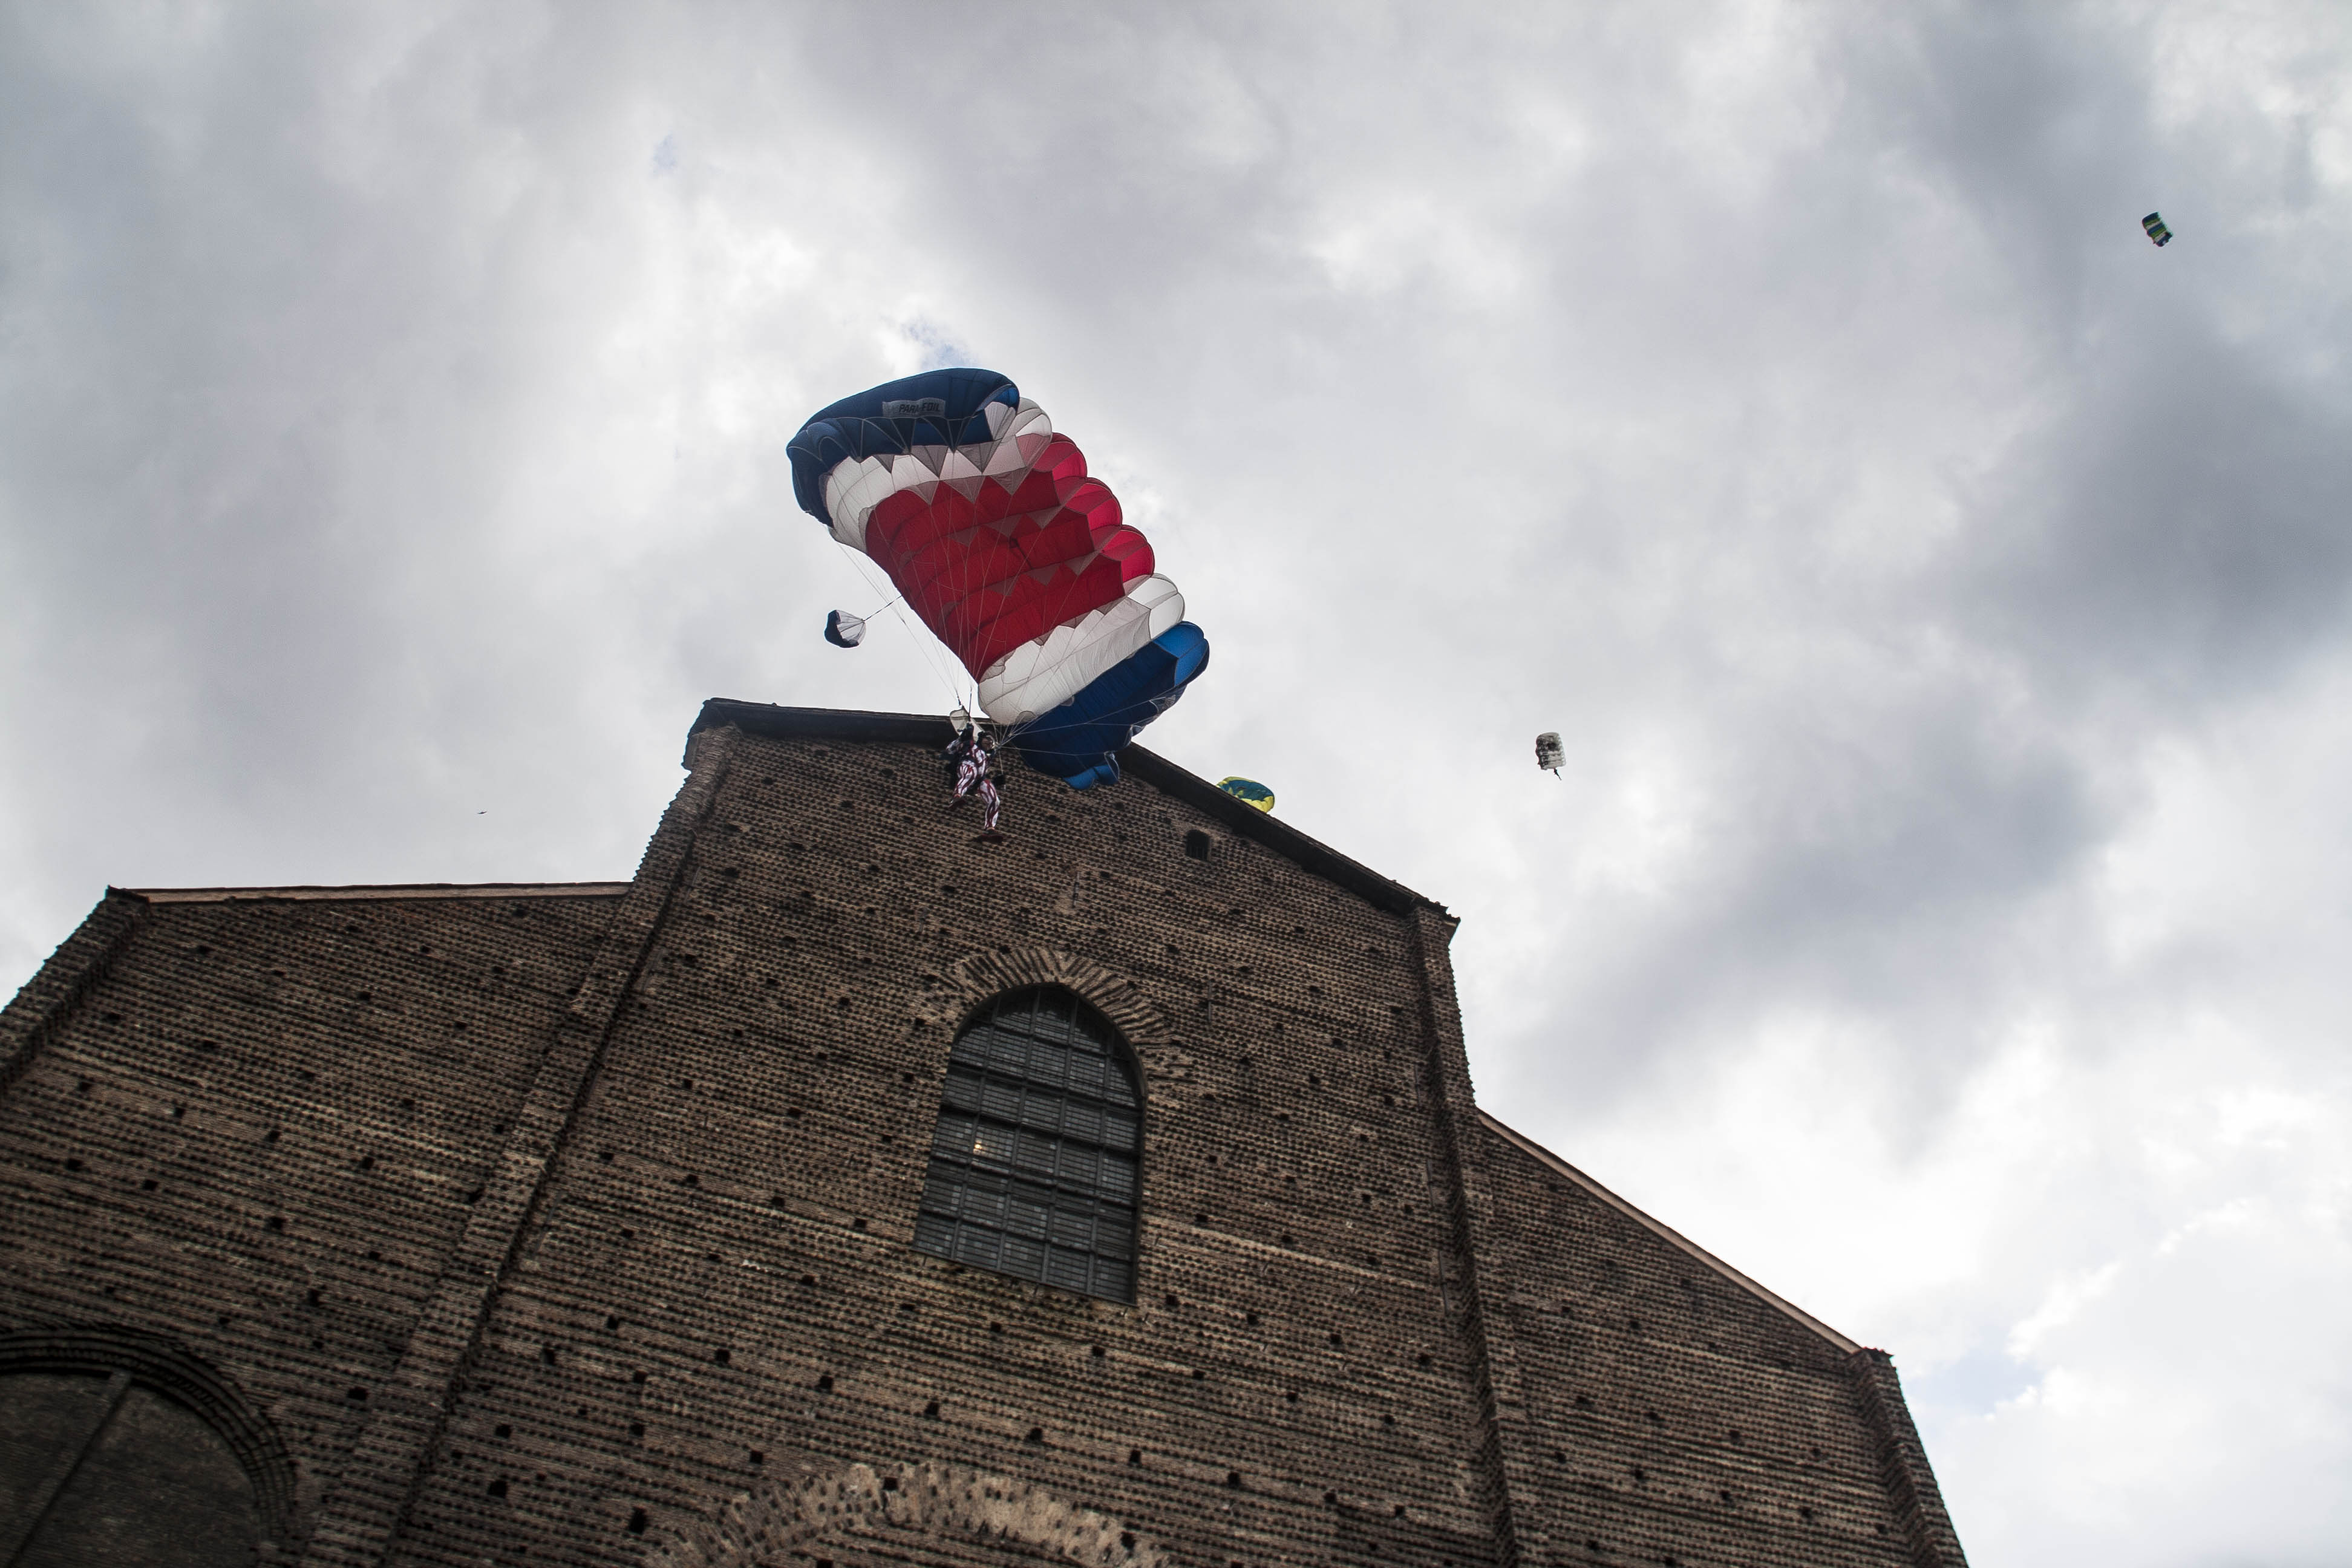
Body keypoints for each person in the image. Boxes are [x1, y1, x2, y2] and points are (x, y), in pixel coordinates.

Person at [944, 720, 1005, 838]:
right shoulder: (970, 745)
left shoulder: (988, 757)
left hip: (979, 779)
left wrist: (997, 782)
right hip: (967, 767)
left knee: (995, 799)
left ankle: (990, 828)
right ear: (981, 739)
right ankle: (957, 796)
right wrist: (963, 737)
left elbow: (984, 771)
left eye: (992, 742)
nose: (989, 743)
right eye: (988, 739)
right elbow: (950, 750)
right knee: (971, 773)